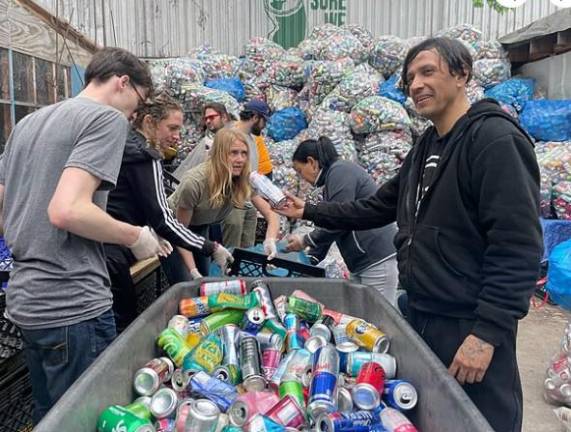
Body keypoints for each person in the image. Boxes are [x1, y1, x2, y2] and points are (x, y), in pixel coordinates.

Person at [275, 37, 542, 432]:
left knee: (482, 421)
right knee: (433, 417)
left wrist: (486, 333)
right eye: (410, 77)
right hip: (423, 312)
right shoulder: (425, 148)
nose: (415, 84)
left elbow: (517, 247)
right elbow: (375, 207)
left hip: (467, 321)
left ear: (462, 74)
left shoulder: (494, 141)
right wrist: (310, 209)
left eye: (428, 71)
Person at [0, 48, 172, 423]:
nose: (134, 116)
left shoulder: (30, 122)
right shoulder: (105, 119)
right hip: (72, 302)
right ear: (122, 83)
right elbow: (67, 209)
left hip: (29, 302)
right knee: (87, 417)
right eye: (138, 104)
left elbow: (4, 197)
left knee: (52, 415)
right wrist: (134, 236)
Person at [104, 93, 233, 332]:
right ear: (150, 123)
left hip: (104, 246)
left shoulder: (122, 144)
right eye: (172, 128)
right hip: (113, 252)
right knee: (122, 321)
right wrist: (211, 248)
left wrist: (150, 230)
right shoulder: (145, 156)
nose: (176, 136)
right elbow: (164, 219)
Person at [285, 136, 399, 304]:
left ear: (312, 162)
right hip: (362, 262)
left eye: (300, 171)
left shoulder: (340, 172)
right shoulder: (332, 178)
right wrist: (311, 260)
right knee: (361, 319)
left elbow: (339, 220)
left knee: (379, 318)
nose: (303, 179)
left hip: (375, 258)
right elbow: (331, 220)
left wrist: (306, 240)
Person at [165, 128, 280, 281]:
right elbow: (180, 232)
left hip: (201, 225)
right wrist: (193, 272)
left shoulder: (243, 178)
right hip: (173, 230)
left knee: (205, 278)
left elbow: (271, 213)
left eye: (243, 153)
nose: (240, 159)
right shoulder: (195, 183)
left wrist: (270, 240)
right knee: (187, 282)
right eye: (233, 153)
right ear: (220, 154)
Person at [223, 99, 273, 248]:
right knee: (231, 250)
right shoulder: (231, 136)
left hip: (247, 200)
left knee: (247, 250)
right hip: (232, 201)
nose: (264, 126)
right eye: (263, 120)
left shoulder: (251, 139)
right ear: (255, 117)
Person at [172, 102, 232, 181]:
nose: (208, 121)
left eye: (211, 117)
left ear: (224, 117)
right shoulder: (209, 141)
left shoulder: (235, 138)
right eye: (206, 118)